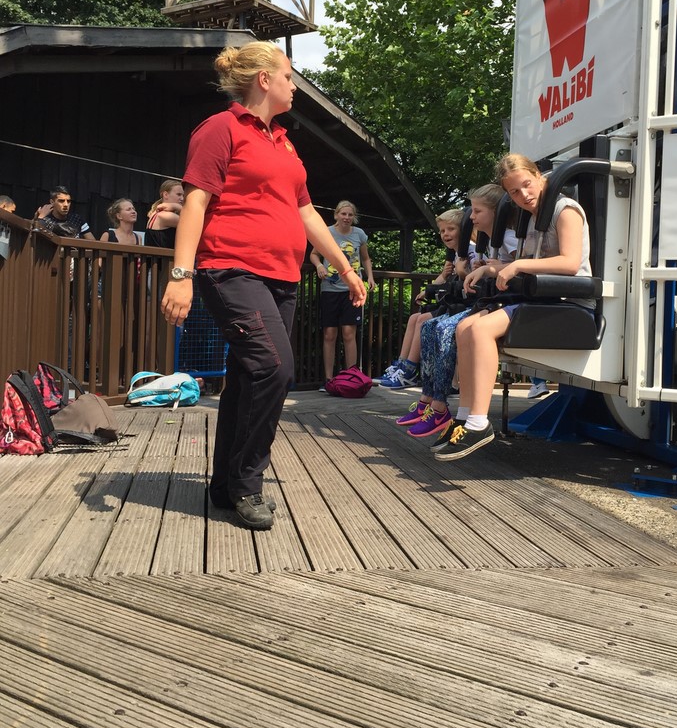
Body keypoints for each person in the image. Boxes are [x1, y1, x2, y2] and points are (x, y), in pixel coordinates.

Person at [161, 40, 367, 531]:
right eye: (289, 77)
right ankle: (247, 483)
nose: (294, 86)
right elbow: (195, 203)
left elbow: (306, 212)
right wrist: (181, 276)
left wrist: (346, 268)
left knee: (248, 377)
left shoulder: (284, 142)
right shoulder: (221, 128)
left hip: (282, 277)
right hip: (230, 268)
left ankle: (224, 484)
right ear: (264, 79)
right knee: (275, 368)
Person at [433, 152, 593, 460]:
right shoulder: (532, 218)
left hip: (567, 301)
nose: (524, 195)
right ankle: (465, 416)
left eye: (527, 185)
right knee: (464, 328)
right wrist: (490, 269)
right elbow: (528, 263)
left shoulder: (565, 210)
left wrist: (517, 265)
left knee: (480, 330)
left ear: (539, 177)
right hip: (539, 298)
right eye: (514, 192)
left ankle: (480, 423)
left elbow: (570, 263)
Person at [397, 183, 517, 437]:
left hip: (496, 304)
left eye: (477, 212)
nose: (471, 217)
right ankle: (427, 400)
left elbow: (518, 268)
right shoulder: (488, 242)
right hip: (486, 302)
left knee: (443, 330)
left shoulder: (507, 238)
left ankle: (440, 406)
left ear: (495, 212)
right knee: (429, 327)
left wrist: (487, 269)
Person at [377, 207, 468, 389]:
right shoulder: (454, 254)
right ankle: (402, 366)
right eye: (442, 231)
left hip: (462, 305)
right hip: (453, 302)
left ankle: (410, 371)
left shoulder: (468, 252)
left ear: (463, 230)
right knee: (414, 318)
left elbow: (470, 281)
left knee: (422, 320)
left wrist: (460, 272)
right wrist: (430, 288)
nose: (445, 234)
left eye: (451, 229)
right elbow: (444, 278)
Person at [309, 199, 375, 389]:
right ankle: (328, 379)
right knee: (329, 334)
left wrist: (370, 276)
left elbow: (365, 258)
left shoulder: (359, 234)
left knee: (349, 333)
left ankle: (352, 378)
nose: (346, 217)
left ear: (354, 217)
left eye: (350, 214)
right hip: (330, 288)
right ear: (336, 214)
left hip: (352, 289)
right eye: (343, 214)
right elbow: (314, 254)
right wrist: (319, 265)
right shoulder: (327, 232)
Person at [144, 179, 185, 248]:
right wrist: (178, 207)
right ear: (165, 195)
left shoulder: (158, 214)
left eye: (183, 195)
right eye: (178, 194)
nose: (182, 198)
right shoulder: (165, 216)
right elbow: (194, 225)